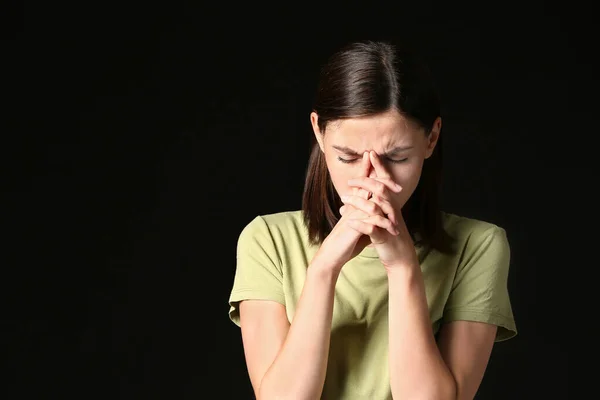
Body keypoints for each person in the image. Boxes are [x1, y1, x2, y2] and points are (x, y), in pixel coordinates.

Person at [227, 40, 517, 400]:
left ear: (432, 138)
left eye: (396, 157)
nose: (371, 178)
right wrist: (324, 269)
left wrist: (402, 266)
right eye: (348, 157)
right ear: (318, 131)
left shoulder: (478, 245)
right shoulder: (267, 240)